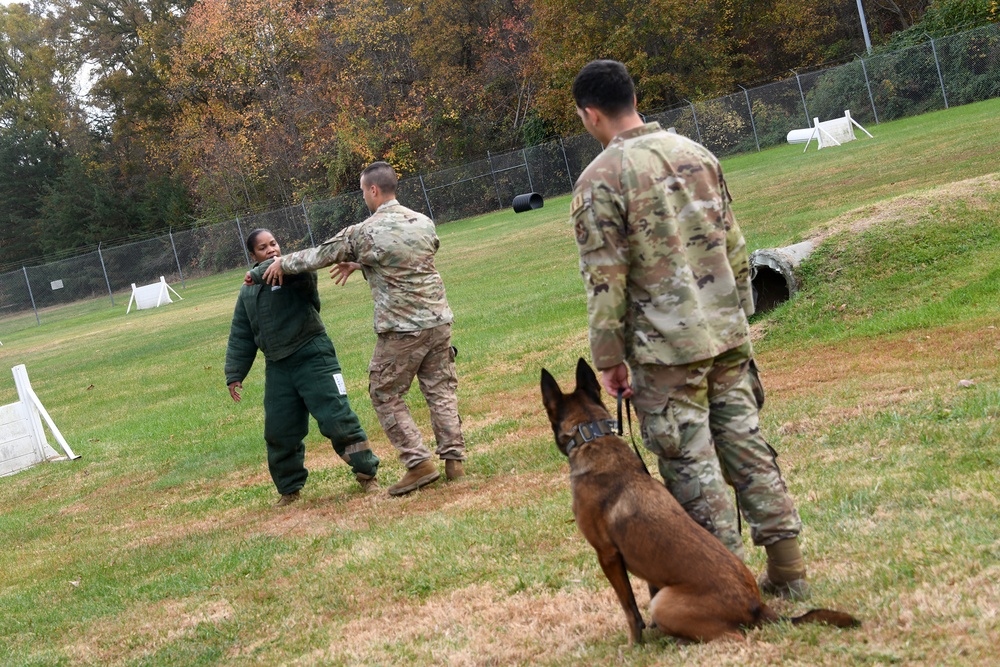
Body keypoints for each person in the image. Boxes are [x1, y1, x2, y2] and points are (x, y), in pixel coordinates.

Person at [569, 59, 807, 598]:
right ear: (632, 97)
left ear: (590, 114)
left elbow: (604, 280)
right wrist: (739, 310)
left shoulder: (598, 181)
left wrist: (608, 358)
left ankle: (724, 587)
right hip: (725, 333)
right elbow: (735, 243)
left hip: (665, 349)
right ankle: (788, 569)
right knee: (746, 444)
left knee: (690, 463)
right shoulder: (696, 154)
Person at [261, 162, 466, 497]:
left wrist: (282, 263)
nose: (364, 197)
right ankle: (453, 462)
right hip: (439, 321)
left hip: (402, 329)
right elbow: (411, 258)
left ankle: (418, 463)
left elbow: (322, 254)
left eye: (362, 191)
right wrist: (362, 263)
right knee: (440, 389)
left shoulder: (365, 231)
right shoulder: (423, 222)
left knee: (384, 392)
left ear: (373, 190)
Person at [225, 228, 381, 506]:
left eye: (274, 243)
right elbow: (241, 334)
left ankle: (367, 474)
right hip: (278, 366)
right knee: (279, 431)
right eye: (263, 248)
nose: (271, 250)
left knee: (337, 418)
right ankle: (289, 490)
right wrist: (234, 374)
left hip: (313, 355)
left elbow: (304, 274)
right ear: (252, 254)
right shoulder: (247, 292)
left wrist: (261, 273)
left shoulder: (294, 269)